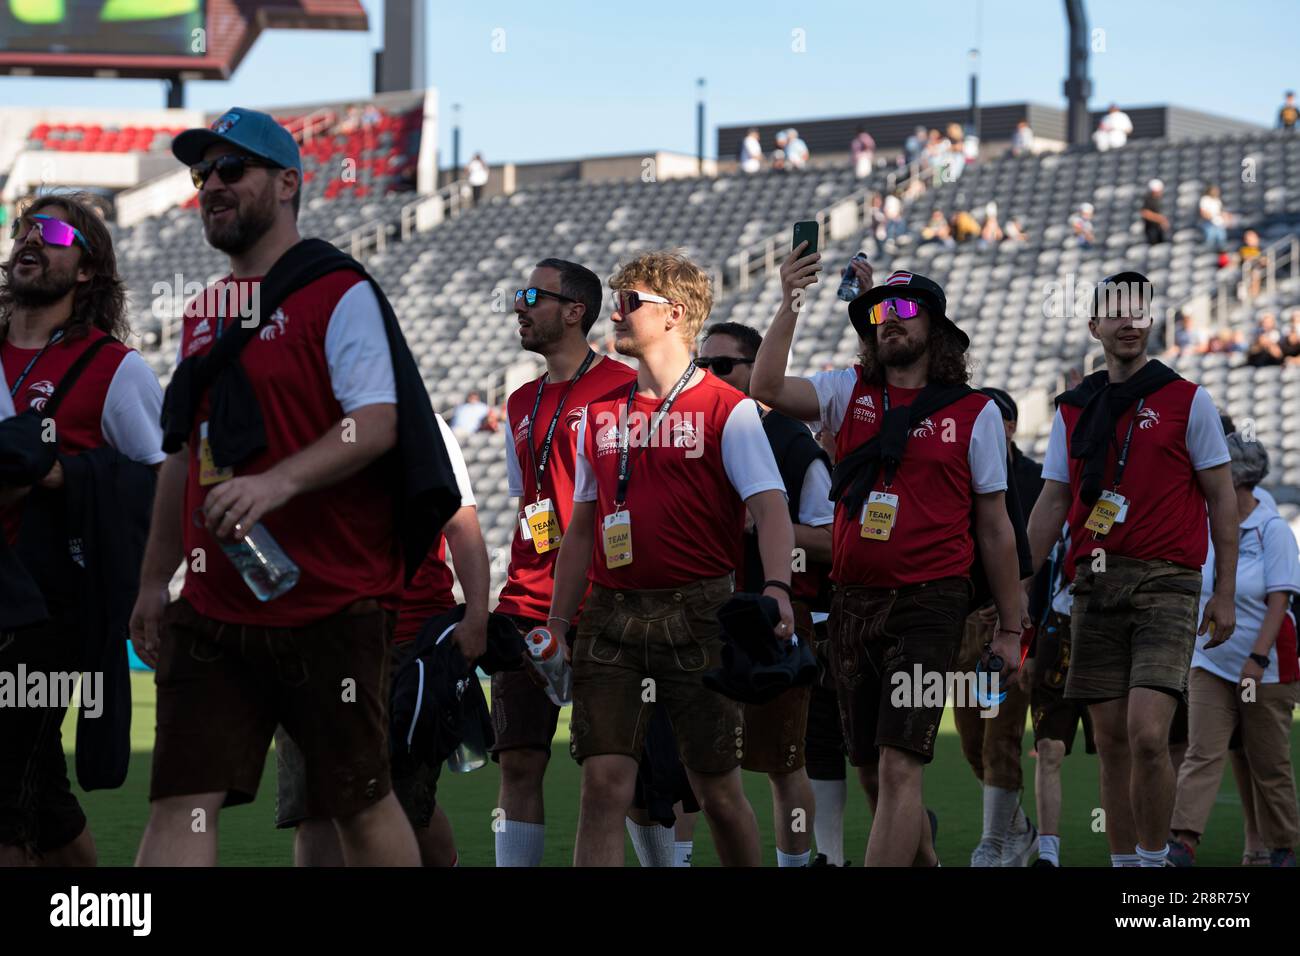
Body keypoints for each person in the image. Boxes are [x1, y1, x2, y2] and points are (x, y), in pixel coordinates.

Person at [131, 107, 451, 866]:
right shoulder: (205, 310)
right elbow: (184, 452)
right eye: (201, 173)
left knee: (360, 803)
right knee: (180, 800)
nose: (211, 184)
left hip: (332, 604)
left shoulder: (340, 290)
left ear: (287, 182)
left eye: (230, 169)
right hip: (214, 607)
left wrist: (276, 484)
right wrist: (152, 581)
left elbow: (375, 422)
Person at [751, 252, 1028, 868]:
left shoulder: (975, 412)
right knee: (872, 768)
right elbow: (764, 388)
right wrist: (792, 300)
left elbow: (996, 529)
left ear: (938, 329)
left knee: (902, 765)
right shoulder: (847, 391)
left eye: (905, 309)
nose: (888, 319)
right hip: (851, 599)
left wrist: (1011, 631)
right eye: (877, 311)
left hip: (931, 602)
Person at [546, 250, 796, 867]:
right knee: (602, 785)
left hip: (700, 611)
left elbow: (769, 510)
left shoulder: (726, 408)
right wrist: (555, 621)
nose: (617, 312)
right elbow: (580, 530)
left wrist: (778, 589)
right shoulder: (597, 415)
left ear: (675, 314)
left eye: (631, 300)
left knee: (715, 788)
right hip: (609, 614)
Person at [1024, 270, 1237, 867]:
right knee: (1113, 742)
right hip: (1091, 583)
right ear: (1094, 325)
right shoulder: (1073, 410)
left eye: (1138, 310)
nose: (1128, 321)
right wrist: (1016, 584)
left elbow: (1221, 496)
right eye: (1114, 311)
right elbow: (1052, 503)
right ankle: (1127, 869)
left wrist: (1223, 591)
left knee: (1148, 735)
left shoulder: (1187, 399)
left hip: (1168, 581)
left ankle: (1152, 868)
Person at [0, 194, 164, 867]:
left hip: (47, 614)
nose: (32, 239)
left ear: (88, 268)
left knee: (6, 798)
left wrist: (72, 477)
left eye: (56, 232)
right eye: (23, 229)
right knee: (41, 796)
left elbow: (163, 483)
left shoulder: (114, 369)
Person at [276, 412, 485, 867]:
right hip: (310, 642)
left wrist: (475, 617)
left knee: (403, 807)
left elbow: (460, 522)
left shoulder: (420, 423)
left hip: (406, 642)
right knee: (314, 808)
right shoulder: (284, 415)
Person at [492, 259, 637, 866]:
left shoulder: (627, 387)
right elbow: (526, 496)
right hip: (526, 601)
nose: (518, 306)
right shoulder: (520, 400)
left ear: (575, 310)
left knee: (617, 772)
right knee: (518, 763)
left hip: (605, 603)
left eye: (532, 295)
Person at [699, 321, 836, 868]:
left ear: (757, 370)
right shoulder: (700, 427)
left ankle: (797, 865)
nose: (709, 376)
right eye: (702, 366)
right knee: (696, 754)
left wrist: (767, 522)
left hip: (776, 615)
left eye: (723, 365)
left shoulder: (794, 444)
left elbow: (832, 540)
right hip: (705, 611)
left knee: (783, 760)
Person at [1168, 433, 1299, 867]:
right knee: (1202, 751)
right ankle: (1183, 843)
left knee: (1267, 762)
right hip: (1211, 661)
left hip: (1262, 669)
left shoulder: (1272, 530)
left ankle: (1281, 847)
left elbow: (1280, 598)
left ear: (1237, 478)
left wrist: (1257, 659)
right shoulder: (1208, 524)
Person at [954, 387, 1043, 867]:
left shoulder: (1033, 478)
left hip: (1011, 625)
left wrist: (1016, 608)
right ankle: (1019, 830)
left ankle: (992, 842)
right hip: (966, 622)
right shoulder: (964, 473)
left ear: (1007, 427)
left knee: (1000, 735)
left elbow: (1035, 552)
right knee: (971, 740)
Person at [1198, 185, 1230, 251]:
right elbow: (1203, 212)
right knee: (1210, 238)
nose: (1216, 192)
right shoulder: (1205, 199)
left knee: (1222, 239)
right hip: (1208, 223)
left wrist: (1224, 216)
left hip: (1218, 223)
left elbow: (1220, 212)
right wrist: (1211, 217)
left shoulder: (1218, 201)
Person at [1140, 179, 1169, 245]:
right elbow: (1145, 213)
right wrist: (1160, 219)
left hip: (1158, 229)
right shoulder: (1149, 199)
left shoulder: (1157, 199)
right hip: (1152, 229)